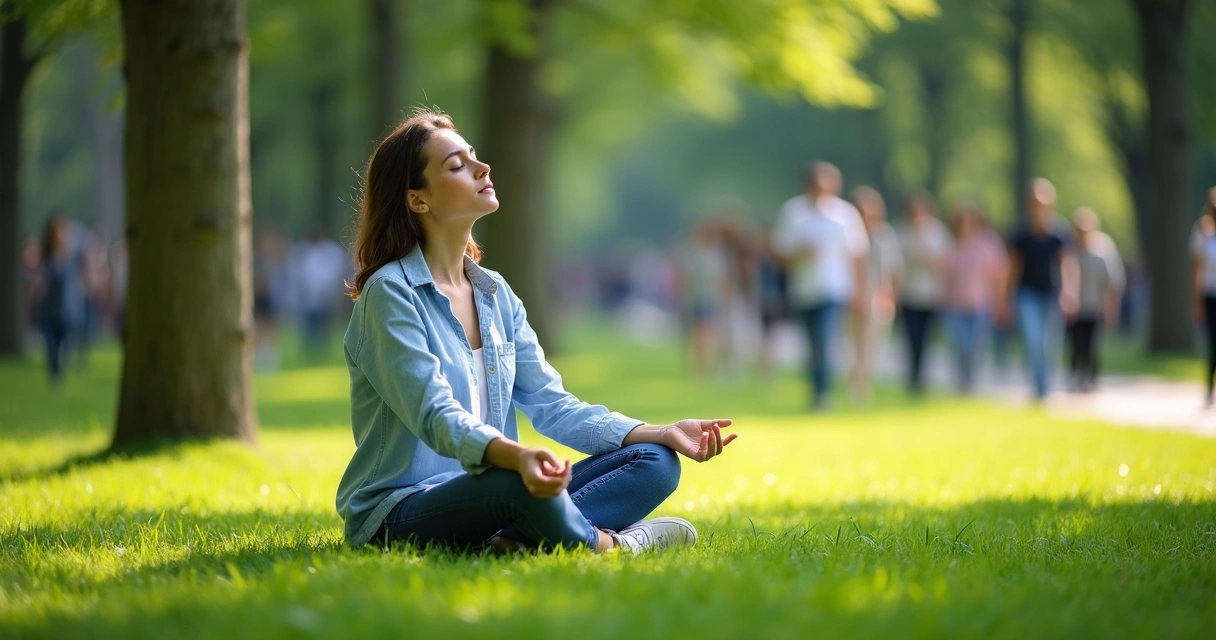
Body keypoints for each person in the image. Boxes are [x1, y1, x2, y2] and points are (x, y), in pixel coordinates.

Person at [336, 109, 737, 555]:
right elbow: (436, 416)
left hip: (495, 489)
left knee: (656, 462)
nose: (482, 167)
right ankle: (610, 547)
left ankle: (514, 541)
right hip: (404, 509)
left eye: (474, 156)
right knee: (517, 485)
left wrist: (657, 431)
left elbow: (554, 406)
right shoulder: (390, 293)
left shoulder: (496, 294)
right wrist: (517, 458)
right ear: (417, 200)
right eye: (457, 165)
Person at [771, 162, 869, 411]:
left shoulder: (846, 215)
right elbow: (778, 254)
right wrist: (800, 255)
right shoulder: (793, 212)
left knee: (825, 340)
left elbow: (856, 255)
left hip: (834, 288)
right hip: (803, 289)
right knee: (811, 343)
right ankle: (815, 388)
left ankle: (822, 394)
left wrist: (859, 290)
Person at [1003, 178, 1071, 401]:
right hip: (1026, 295)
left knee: (1050, 345)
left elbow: (1067, 266)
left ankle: (1046, 387)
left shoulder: (1059, 233)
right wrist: (1005, 299)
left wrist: (1069, 293)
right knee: (1034, 341)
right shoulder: (1020, 234)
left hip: (1051, 294)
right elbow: (1012, 268)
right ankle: (1039, 388)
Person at [943, 202, 1006, 395]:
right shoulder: (953, 245)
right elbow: (945, 275)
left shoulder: (988, 245)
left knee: (975, 348)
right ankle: (962, 383)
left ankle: (970, 384)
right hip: (955, 305)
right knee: (960, 346)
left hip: (981, 305)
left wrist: (1000, 303)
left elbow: (999, 276)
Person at [849, 186, 903, 402]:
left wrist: (891, 297)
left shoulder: (885, 235)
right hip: (850, 295)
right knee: (853, 343)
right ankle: (855, 381)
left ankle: (863, 383)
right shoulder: (849, 233)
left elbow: (893, 270)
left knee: (872, 343)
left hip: (877, 295)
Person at [896, 191, 952, 396]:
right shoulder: (900, 232)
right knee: (912, 339)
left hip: (931, 296)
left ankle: (921, 378)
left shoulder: (937, 232)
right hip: (908, 295)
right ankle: (913, 378)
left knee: (926, 340)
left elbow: (943, 263)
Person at [1063, 208, 1123, 393]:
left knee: (1092, 345)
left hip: (1095, 305)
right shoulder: (1069, 250)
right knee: (1075, 343)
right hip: (1074, 306)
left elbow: (1113, 281)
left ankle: (1091, 379)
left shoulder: (1103, 250)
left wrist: (1110, 307)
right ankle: (1075, 376)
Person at [36, 214, 83, 385]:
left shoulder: (72, 254)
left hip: (67, 309)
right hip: (49, 307)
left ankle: (60, 374)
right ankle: (55, 377)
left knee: (64, 345)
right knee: (51, 346)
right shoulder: (46, 254)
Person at [1191, 187, 1216, 407]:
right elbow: (1197, 269)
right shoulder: (1202, 231)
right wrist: (1196, 301)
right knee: (1212, 344)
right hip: (1210, 294)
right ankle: (1209, 388)